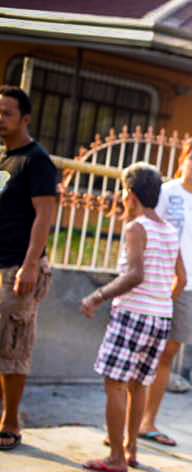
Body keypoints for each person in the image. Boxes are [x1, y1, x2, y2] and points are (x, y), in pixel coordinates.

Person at [81, 163, 185, 472]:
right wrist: (161, 302)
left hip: (133, 315)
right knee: (139, 385)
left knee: (114, 384)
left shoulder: (136, 228)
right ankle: (131, 449)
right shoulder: (168, 229)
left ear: (130, 194)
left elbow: (135, 274)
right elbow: (181, 278)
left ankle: (115, 458)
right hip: (160, 317)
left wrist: (97, 296)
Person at [136, 137, 192, 447]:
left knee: (167, 355)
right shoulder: (165, 193)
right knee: (143, 351)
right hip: (155, 283)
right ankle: (126, 422)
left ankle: (147, 422)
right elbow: (144, 230)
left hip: (189, 289)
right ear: (182, 160)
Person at [0, 85, 57, 452]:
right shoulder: (5, 158)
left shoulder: (37, 160)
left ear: (25, 118)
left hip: (18, 267)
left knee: (14, 346)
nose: (0, 119)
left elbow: (45, 214)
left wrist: (30, 264)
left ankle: (11, 421)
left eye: (6, 113)